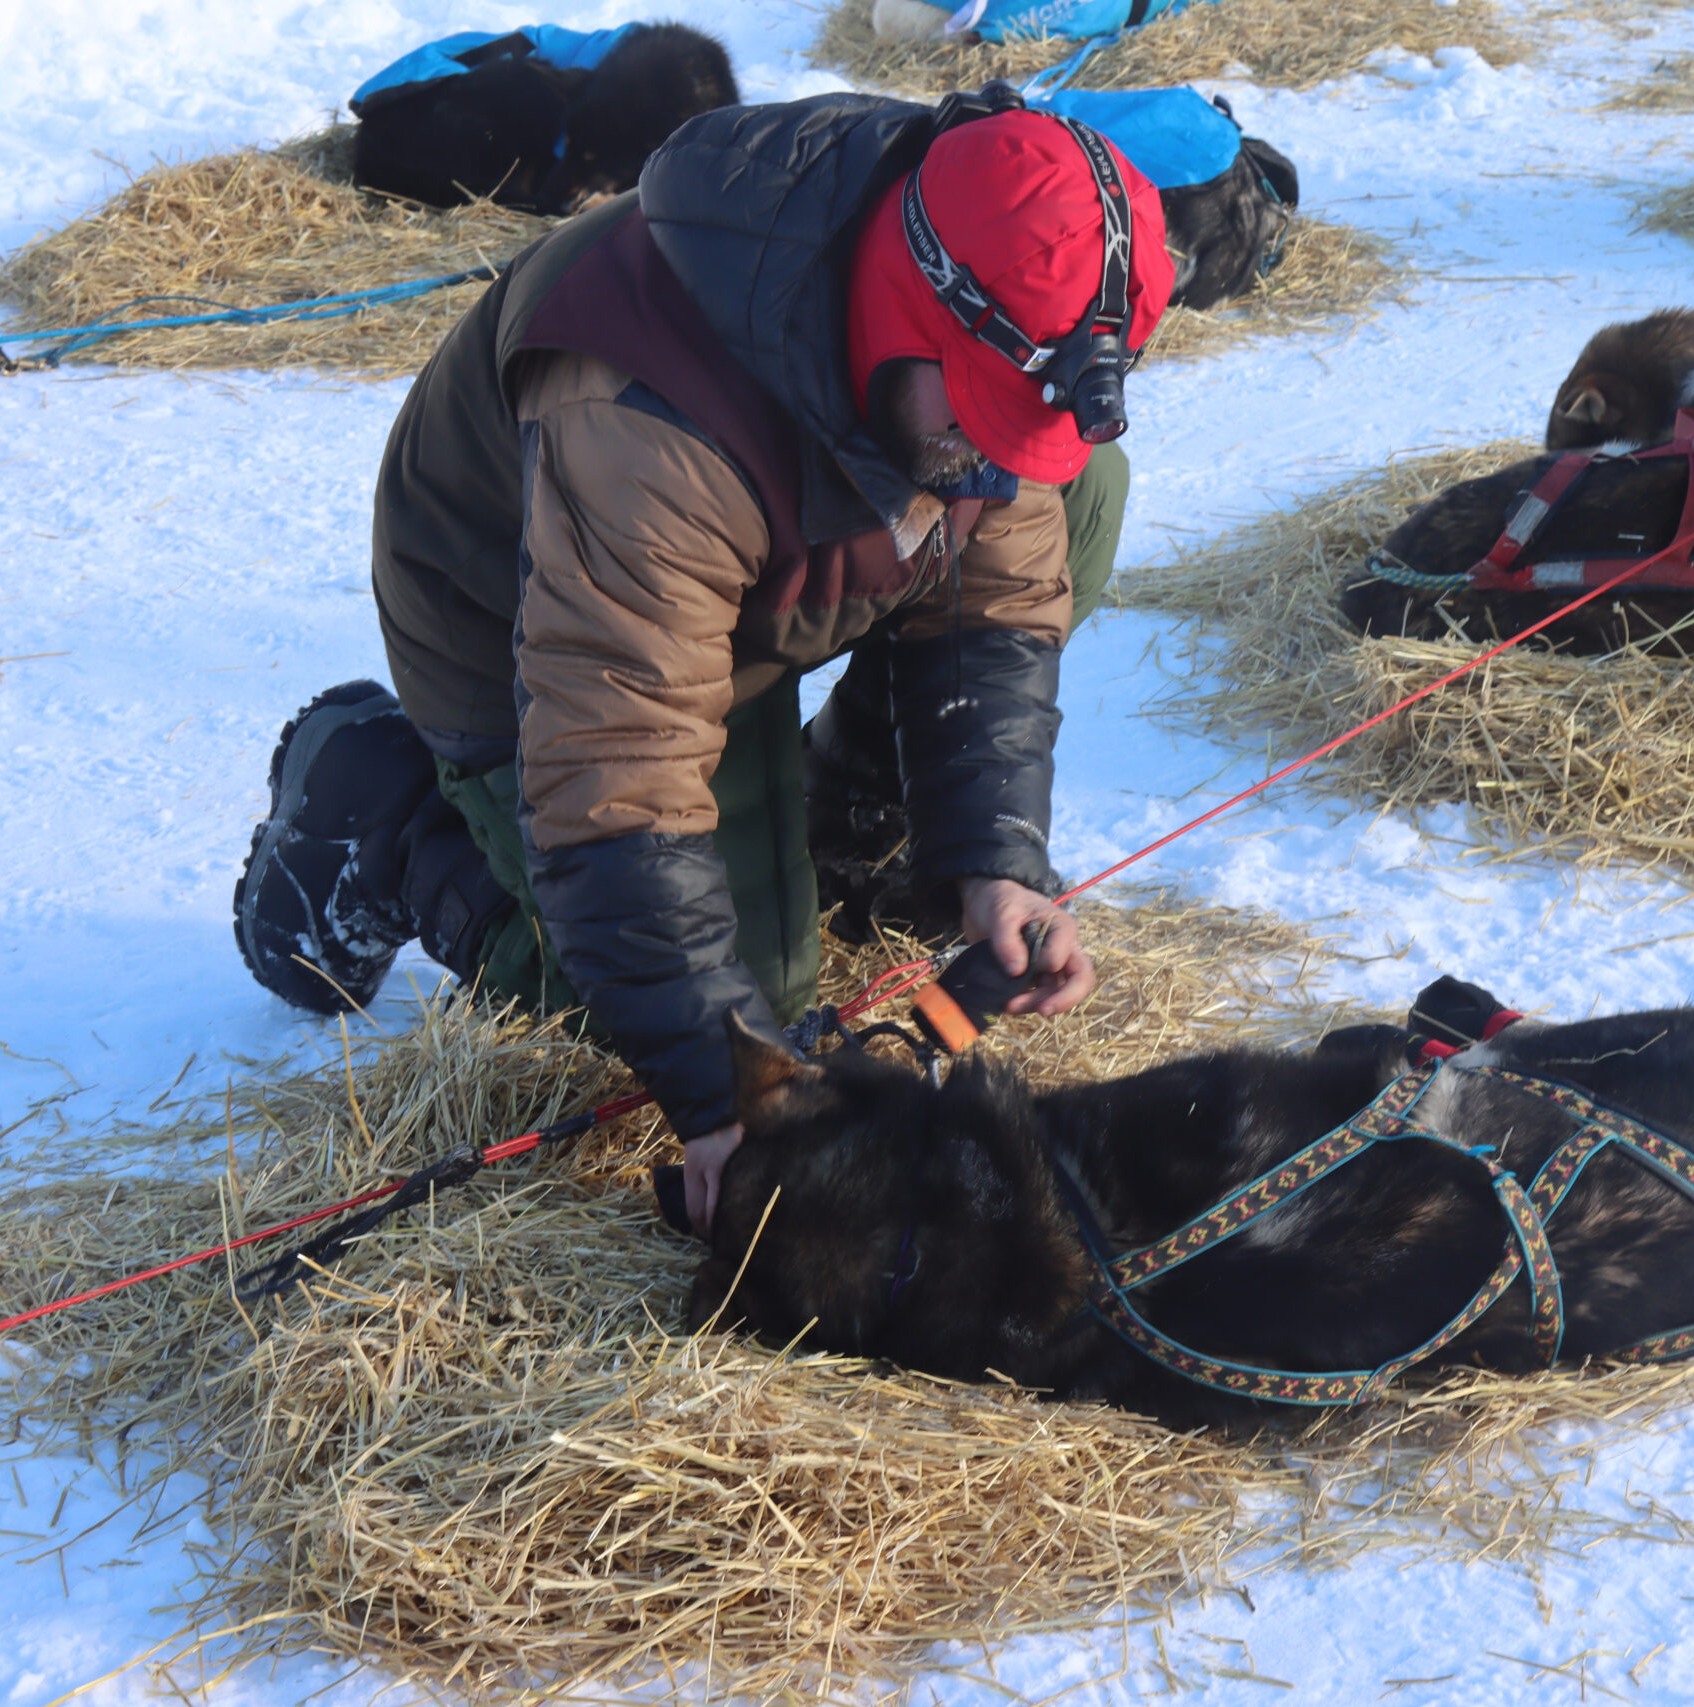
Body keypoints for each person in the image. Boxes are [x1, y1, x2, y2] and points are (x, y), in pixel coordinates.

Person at [230, 87, 1176, 1233]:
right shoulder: (640, 413)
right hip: (532, 637)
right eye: (975, 413)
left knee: (1076, 498)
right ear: (904, 310)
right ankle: (384, 822)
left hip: (762, 576)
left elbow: (1003, 590)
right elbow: (615, 772)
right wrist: (723, 1099)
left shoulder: (974, 294)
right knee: (707, 1027)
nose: (992, 458)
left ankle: (847, 824)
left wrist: (991, 857)